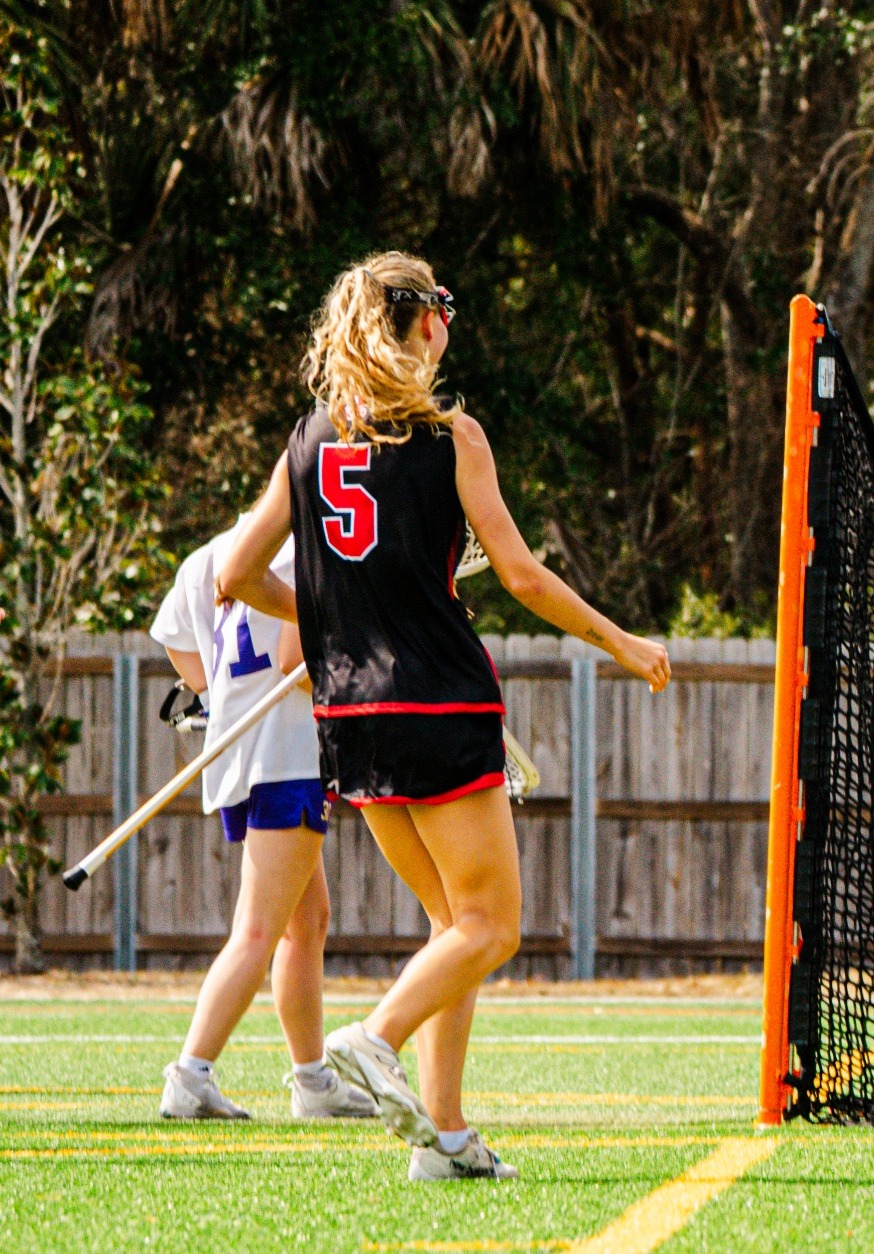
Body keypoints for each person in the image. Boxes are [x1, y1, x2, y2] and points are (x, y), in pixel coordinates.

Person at [218, 252, 672, 1181]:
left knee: (447, 920)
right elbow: (520, 575)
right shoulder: (452, 437)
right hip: (440, 701)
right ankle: (374, 1035)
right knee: (493, 928)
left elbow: (231, 577)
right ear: (420, 321)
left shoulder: (307, 441)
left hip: (350, 714)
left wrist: (333, 617)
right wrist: (622, 642)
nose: (450, 325)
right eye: (446, 308)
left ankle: (448, 1138)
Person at [148, 522, 377, 1123]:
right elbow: (296, 663)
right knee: (258, 930)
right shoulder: (313, 546)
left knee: (306, 922)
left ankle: (312, 1080)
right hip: (286, 756)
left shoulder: (215, 552)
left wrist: (218, 694)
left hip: (238, 756)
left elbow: (175, 638)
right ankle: (191, 1073)